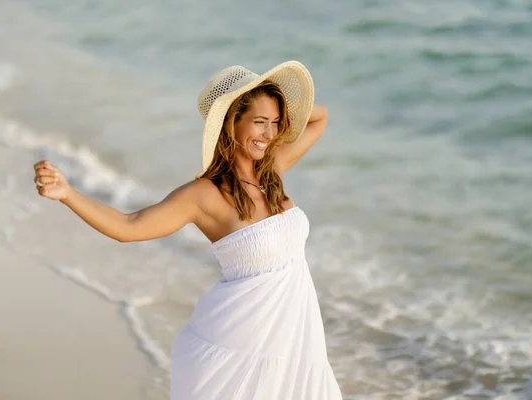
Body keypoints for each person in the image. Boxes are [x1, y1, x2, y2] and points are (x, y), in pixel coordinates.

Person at [32, 60, 342, 399]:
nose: (270, 134)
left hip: (294, 348)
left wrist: (279, 103)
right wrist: (68, 194)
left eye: (276, 123)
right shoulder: (204, 195)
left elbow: (320, 118)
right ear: (230, 124)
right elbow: (128, 226)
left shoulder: (273, 171)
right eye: (259, 123)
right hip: (237, 348)